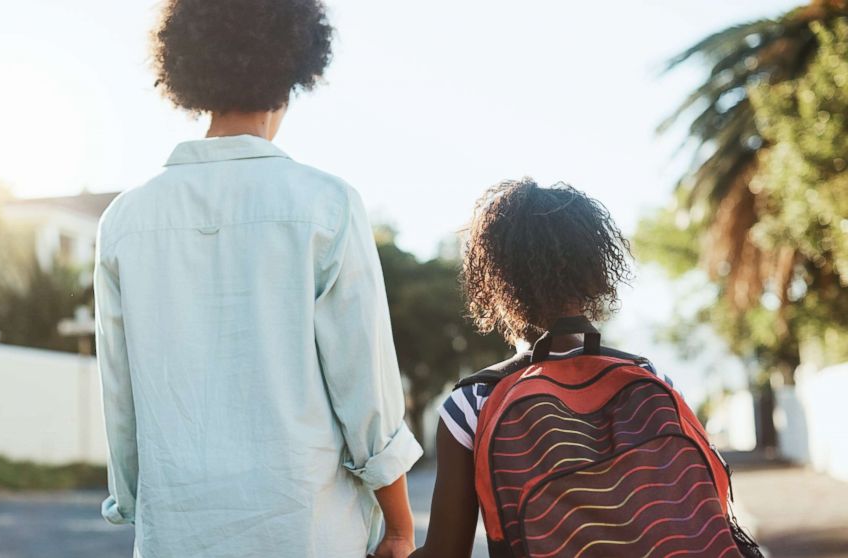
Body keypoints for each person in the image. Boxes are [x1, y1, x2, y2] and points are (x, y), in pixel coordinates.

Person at [94, 1, 422, 557]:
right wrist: (398, 525)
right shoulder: (328, 205)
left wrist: (133, 501)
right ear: (292, 72)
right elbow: (364, 385)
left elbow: (121, 395)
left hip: (177, 533)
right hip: (307, 529)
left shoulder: (124, 221)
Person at [410, 179, 674, 558]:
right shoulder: (649, 379)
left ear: (494, 281)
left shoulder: (474, 403)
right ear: (592, 274)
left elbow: (446, 553)